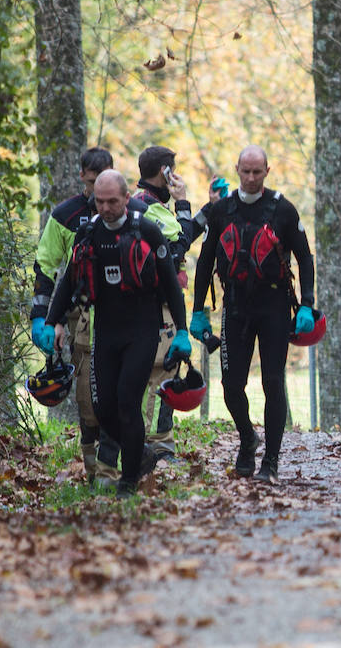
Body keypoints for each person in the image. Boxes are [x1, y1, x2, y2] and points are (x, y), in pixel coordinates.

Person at [44, 170, 191, 497]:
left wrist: (181, 332)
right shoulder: (89, 233)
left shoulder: (147, 232)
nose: (106, 208)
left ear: (127, 198)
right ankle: (142, 455)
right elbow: (68, 280)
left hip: (142, 330)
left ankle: (128, 481)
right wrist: (51, 321)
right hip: (105, 332)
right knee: (103, 408)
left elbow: (170, 285)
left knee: (127, 400)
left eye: (113, 201)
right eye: (100, 201)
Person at [192, 145, 315, 485]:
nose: (249, 178)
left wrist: (307, 303)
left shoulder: (283, 210)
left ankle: (271, 462)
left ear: (267, 171)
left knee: (273, 382)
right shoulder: (222, 211)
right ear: (236, 169)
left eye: (256, 172)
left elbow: (305, 258)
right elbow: (204, 261)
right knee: (231, 386)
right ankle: (248, 438)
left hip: (274, 306)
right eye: (244, 171)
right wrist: (197, 310)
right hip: (235, 307)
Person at [29, 146, 122, 485]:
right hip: (80, 315)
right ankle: (94, 465)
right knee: (87, 394)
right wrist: (42, 316)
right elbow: (46, 264)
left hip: (123, 315)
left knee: (120, 390)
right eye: (93, 183)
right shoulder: (65, 216)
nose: (99, 193)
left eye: (105, 182)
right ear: (82, 176)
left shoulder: (132, 213)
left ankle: (116, 463)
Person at [132, 146, 196, 463]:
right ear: (165, 173)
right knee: (161, 372)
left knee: (155, 372)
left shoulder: (142, 204)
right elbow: (181, 242)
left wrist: (208, 210)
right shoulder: (150, 208)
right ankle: (157, 447)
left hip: (151, 305)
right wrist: (183, 201)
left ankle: (150, 444)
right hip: (158, 308)